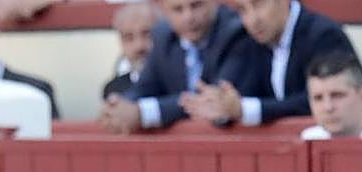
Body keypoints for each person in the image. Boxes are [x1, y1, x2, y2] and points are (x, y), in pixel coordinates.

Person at [181, 0, 360, 126]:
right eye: (242, 9)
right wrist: (221, 106)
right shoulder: (246, 41)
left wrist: (246, 110)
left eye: (258, 4)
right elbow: (233, 95)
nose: (252, 19)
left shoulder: (323, 35)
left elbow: (321, 101)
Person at [100, 0, 257, 134]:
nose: (189, 17)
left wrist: (142, 113)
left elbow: (212, 100)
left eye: (196, 5)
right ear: (165, 11)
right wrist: (119, 106)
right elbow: (145, 87)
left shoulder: (236, 32)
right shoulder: (163, 35)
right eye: (178, 9)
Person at [102, 1, 157, 99]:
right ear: (121, 43)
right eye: (129, 38)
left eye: (147, 34)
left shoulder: (176, 83)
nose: (139, 46)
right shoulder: (113, 90)